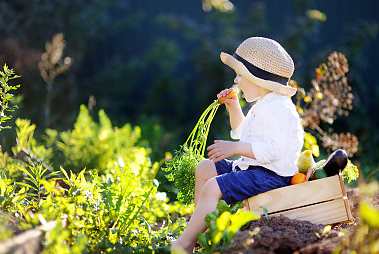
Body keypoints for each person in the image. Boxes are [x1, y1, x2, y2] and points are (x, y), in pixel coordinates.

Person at [171, 37, 304, 253]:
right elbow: (245, 134)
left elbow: (272, 150)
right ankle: (202, 234)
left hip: (272, 176)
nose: (236, 80)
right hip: (256, 168)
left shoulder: (278, 109)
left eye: (240, 75)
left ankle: (184, 244)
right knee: (204, 168)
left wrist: (234, 149)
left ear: (258, 78)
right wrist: (234, 107)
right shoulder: (265, 103)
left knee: (213, 186)